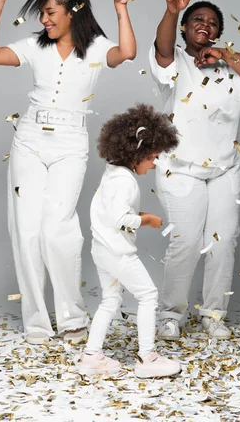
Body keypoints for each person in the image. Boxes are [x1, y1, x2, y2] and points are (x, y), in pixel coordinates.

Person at [0, 0, 143, 345]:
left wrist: (121, 8)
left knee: (59, 230)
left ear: (73, 11)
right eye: (42, 13)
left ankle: (72, 318)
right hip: (30, 139)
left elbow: (128, 53)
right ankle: (37, 322)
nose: (44, 19)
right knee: (27, 229)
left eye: (50, 12)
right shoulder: (35, 46)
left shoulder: (98, 48)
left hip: (71, 142)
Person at [149, 0, 240, 340]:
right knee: (187, 241)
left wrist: (223, 54)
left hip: (224, 169)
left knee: (223, 241)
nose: (203, 23)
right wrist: (173, 10)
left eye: (211, 21)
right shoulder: (173, 61)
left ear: (219, 31)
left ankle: (213, 314)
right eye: (195, 19)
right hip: (179, 168)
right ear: (185, 28)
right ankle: (170, 314)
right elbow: (161, 48)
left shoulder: (233, 64)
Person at [78, 104, 181, 378]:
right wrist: (146, 219)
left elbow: (112, 211)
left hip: (101, 249)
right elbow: (120, 218)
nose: (155, 163)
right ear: (138, 153)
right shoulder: (125, 181)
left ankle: (91, 357)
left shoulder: (112, 172)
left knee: (110, 300)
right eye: (153, 157)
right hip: (118, 252)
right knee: (148, 295)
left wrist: (137, 215)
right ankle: (147, 359)